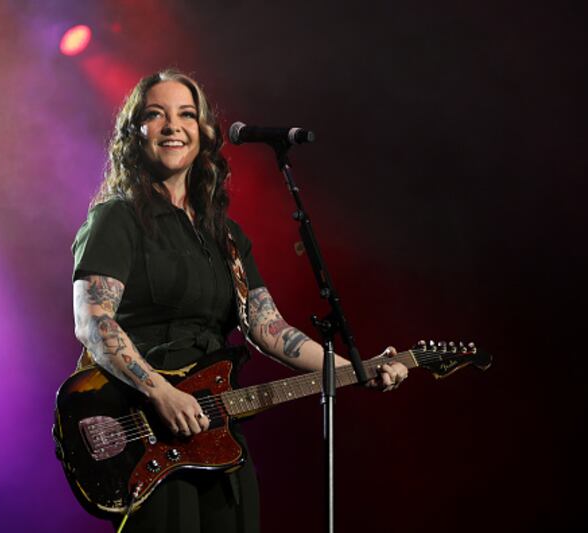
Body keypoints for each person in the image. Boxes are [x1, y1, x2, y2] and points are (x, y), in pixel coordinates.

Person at [71, 69, 409, 533]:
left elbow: (270, 330)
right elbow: (94, 323)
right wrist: (160, 391)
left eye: (187, 115)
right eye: (156, 114)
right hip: (148, 424)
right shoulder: (117, 218)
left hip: (217, 426)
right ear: (136, 133)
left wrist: (359, 367)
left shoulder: (225, 236)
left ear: (205, 133)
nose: (173, 126)